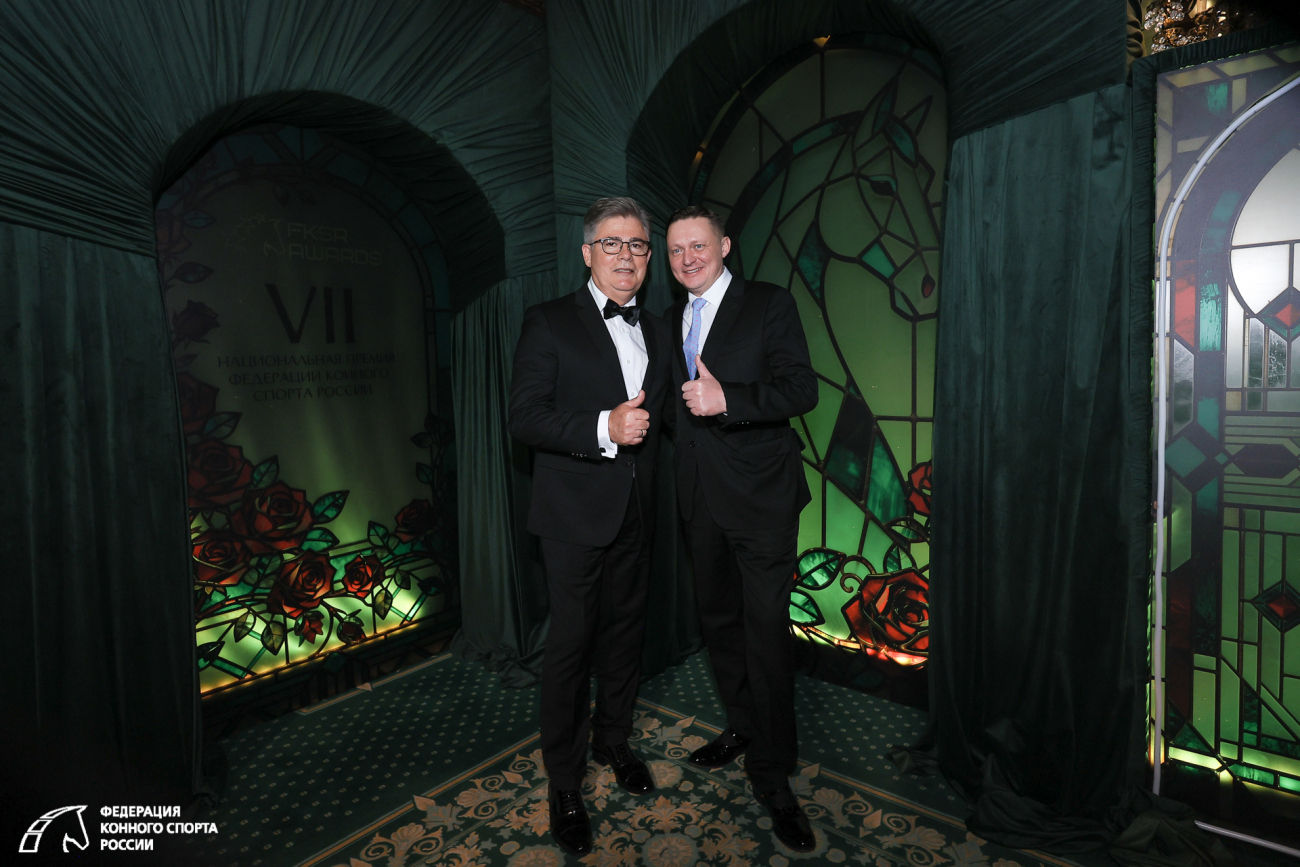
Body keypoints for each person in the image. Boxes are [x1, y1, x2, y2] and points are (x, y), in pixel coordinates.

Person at [507, 196, 671, 857]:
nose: (625, 255)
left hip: (639, 509)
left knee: (626, 634)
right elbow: (525, 417)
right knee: (572, 646)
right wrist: (605, 425)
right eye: (612, 243)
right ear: (586, 252)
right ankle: (565, 781)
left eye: (637, 245)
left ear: (649, 257)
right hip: (572, 514)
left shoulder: (658, 327)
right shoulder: (548, 320)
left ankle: (614, 739)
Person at [665, 204, 819, 852]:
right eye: (677, 250)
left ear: (724, 245)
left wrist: (729, 399)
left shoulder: (769, 303)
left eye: (698, 246)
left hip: (761, 500)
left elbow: (801, 389)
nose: (688, 259)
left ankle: (773, 772)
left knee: (766, 635)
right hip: (699, 498)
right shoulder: (670, 317)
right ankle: (741, 726)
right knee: (720, 624)